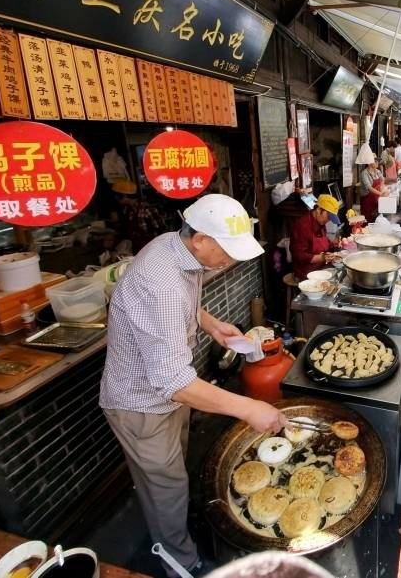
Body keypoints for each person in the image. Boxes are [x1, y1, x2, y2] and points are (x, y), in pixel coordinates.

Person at [100, 194, 287, 578]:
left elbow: (179, 304)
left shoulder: (175, 247)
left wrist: (209, 323)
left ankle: (176, 529)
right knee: (165, 488)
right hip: (142, 403)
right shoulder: (160, 281)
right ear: (200, 238)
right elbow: (173, 381)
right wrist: (249, 407)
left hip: (168, 395)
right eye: (227, 251)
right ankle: (180, 563)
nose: (231, 260)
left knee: (174, 477)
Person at [111, 180, 172, 253]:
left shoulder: (147, 210)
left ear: (124, 196)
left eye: (117, 196)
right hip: (138, 250)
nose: (116, 199)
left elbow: (162, 231)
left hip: (153, 250)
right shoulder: (127, 210)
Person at [290, 193, 341, 280]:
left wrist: (332, 243)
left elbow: (322, 243)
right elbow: (299, 256)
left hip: (321, 268)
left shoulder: (320, 222)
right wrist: (322, 257)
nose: (328, 220)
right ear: (318, 209)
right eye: (328, 216)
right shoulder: (303, 226)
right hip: (306, 273)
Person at [359, 156, 386, 221]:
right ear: (369, 163)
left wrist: (382, 188)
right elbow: (369, 188)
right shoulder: (364, 173)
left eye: (377, 161)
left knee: (377, 219)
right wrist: (381, 193)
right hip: (367, 201)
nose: (377, 163)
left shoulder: (377, 171)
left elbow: (383, 180)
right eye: (375, 161)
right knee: (368, 219)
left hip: (376, 200)